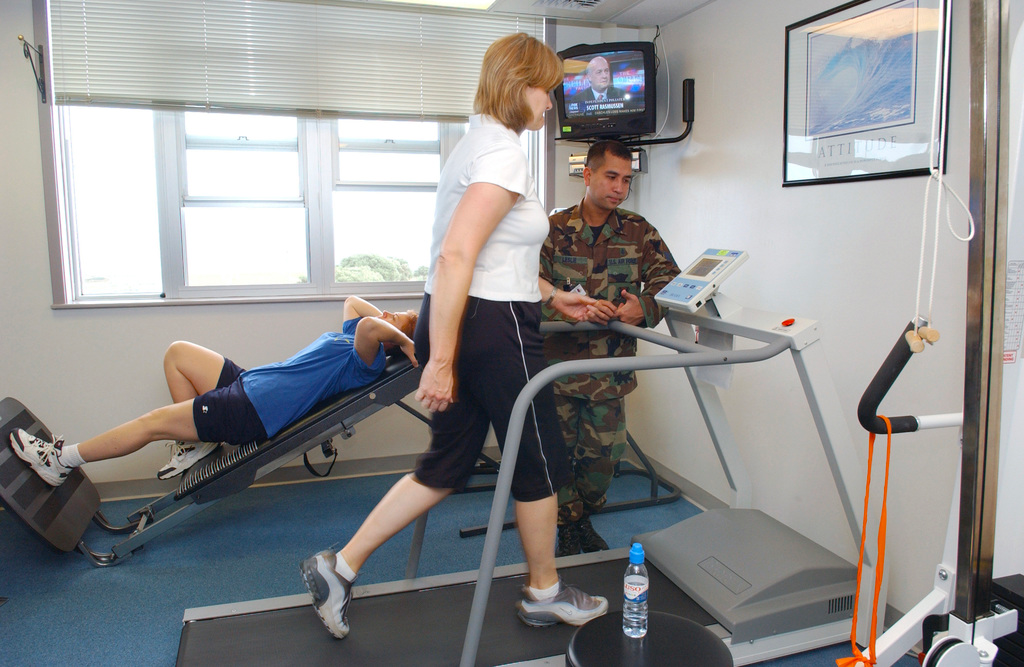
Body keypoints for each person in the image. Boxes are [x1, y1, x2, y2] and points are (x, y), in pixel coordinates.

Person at [299, 33, 609, 641]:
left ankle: (340, 567)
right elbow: (457, 253)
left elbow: (490, 249)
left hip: (470, 314)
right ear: (518, 84)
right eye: (545, 89)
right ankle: (545, 592)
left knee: (446, 464)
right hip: (490, 324)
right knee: (541, 457)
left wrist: (552, 295)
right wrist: (440, 361)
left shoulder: (475, 144)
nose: (549, 103)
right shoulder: (504, 154)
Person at [10, 296, 417, 487]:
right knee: (177, 353)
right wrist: (397, 321)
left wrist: (406, 339)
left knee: (152, 424)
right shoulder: (351, 339)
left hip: (252, 410)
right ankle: (196, 446)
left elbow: (369, 326)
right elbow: (354, 304)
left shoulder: (367, 361)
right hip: (249, 381)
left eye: (395, 316)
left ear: (392, 340)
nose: (384, 312)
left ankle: (61, 461)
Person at [540, 139, 681, 557]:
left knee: (604, 460)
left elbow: (670, 282)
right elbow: (525, 289)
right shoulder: (552, 230)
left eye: (627, 180)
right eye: (611, 177)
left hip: (610, 372)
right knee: (558, 456)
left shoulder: (638, 231)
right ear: (587, 175)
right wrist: (572, 312)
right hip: (557, 371)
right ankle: (570, 525)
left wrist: (645, 307)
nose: (620, 187)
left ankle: (584, 512)